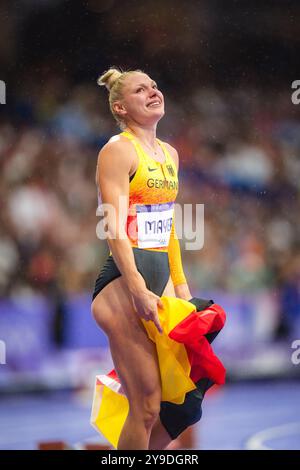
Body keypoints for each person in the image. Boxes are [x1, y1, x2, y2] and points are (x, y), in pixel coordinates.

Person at [91, 67, 212, 450]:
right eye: (141, 90)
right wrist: (138, 288)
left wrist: (181, 288)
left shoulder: (170, 154)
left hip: (157, 283)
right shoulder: (118, 150)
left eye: (155, 86)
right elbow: (113, 227)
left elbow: (169, 225)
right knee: (144, 408)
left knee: (175, 406)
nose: (153, 92)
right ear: (121, 107)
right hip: (124, 287)